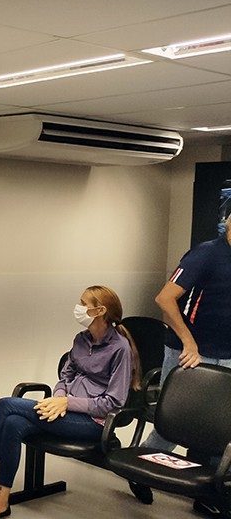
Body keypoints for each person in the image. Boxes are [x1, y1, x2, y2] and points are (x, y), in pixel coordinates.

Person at [0, 286, 140, 519]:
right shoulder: (81, 340)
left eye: (84, 303)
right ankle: (1, 499)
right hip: (65, 410)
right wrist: (58, 397)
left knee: (7, 404)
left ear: (100, 311)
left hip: (94, 423)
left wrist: (67, 403)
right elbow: (66, 375)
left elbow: (112, 402)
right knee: (13, 423)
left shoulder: (120, 349)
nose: (79, 307)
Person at [132, 213, 231, 514]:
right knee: (173, 421)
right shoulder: (206, 254)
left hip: (226, 353)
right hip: (190, 352)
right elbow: (165, 299)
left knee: (217, 427)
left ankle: (206, 493)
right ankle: (139, 469)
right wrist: (189, 342)